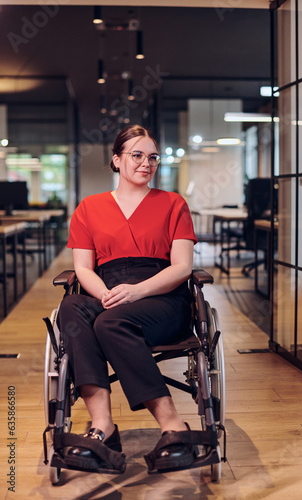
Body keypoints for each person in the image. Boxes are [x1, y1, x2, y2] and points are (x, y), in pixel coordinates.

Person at [57, 124, 198, 473]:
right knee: (73, 306)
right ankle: (102, 426)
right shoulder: (89, 208)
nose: (146, 163)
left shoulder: (173, 203)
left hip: (162, 297)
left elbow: (182, 267)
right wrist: (106, 294)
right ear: (117, 160)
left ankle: (172, 425)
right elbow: (83, 268)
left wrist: (137, 290)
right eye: (136, 155)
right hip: (109, 290)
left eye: (153, 157)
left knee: (111, 320)